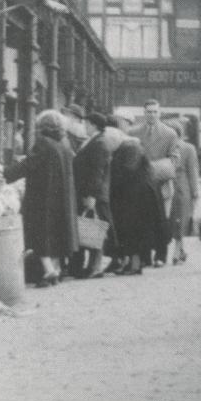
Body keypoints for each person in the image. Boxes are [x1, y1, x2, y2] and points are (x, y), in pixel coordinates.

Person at [4, 109, 79, 288]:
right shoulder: (65, 143)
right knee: (57, 233)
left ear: (43, 126)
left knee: (40, 232)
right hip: (62, 197)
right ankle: (56, 269)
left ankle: (48, 270)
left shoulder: (43, 143)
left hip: (43, 197)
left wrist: (4, 172)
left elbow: (29, 165)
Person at [108, 114, 164, 275]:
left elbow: (128, 170)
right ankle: (131, 263)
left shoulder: (130, 147)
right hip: (135, 195)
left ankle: (135, 265)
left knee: (135, 230)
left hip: (138, 196)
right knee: (132, 230)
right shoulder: (129, 146)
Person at [129, 99, 179, 266]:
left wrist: (156, 168)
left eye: (155, 112)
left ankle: (160, 255)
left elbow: (174, 158)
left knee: (161, 219)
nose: (152, 115)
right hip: (140, 183)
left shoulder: (170, 133)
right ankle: (144, 256)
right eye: (148, 112)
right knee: (141, 219)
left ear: (160, 113)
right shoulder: (133, 132)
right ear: (144, 113)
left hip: (161, 182)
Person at [72, 112, 113, 279]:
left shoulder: (99, 143)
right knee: (91, 228)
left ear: (94, 125)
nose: (85, 126)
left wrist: (91, 196)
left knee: (95, 229)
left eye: (87, 123)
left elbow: (97, 172)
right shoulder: (96, 141)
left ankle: (94, 266)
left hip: (93, 194)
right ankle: (90, 266)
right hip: (91, 192)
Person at [167, 119, 199, 266]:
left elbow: (192, 172)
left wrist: (195, 192)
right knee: (176, 221)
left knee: (178, 220)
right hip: (174, 188)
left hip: (177, 188)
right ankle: (180, 251)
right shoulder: (170, 147)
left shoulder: (185, 148)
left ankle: (176, 252)